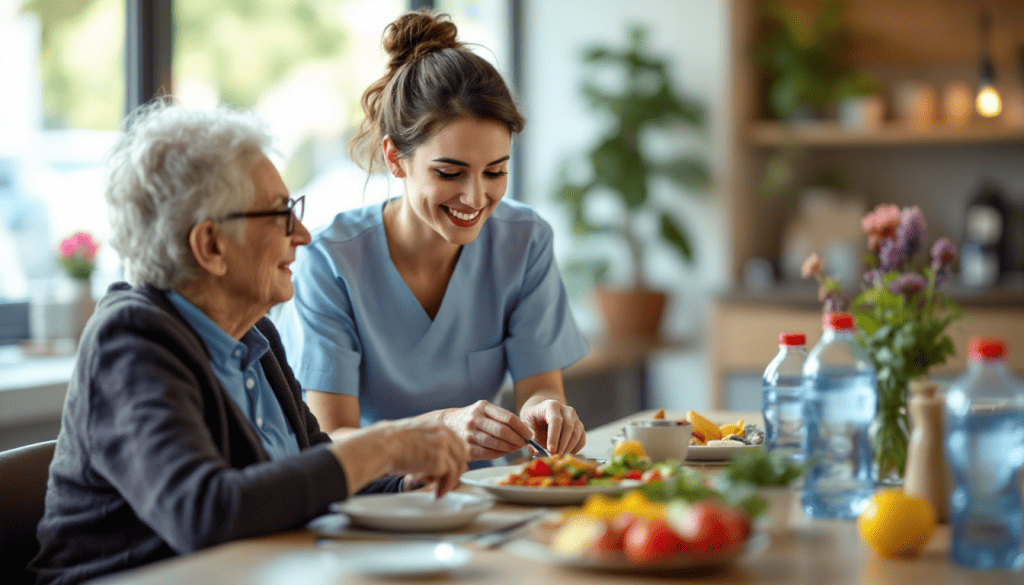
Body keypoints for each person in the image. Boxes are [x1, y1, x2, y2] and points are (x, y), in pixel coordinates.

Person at [30, 103, 469, 585]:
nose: (302, 234)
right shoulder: (130, 343)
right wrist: (380, 446)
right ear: (211, 246)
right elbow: (205, 513)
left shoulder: (256, 334)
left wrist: (401, 479)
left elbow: (312, 476)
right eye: (282, 214)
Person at [278, 9, 589, 462]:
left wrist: (547, 412)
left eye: (496, 171)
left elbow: (539, 385)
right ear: (395, 159)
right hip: (374, 501)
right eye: (449, 172)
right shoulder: (330, 260)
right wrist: (441, 425)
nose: (475, 197)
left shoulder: (525, 241)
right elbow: (329, 437)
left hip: (486, 494)